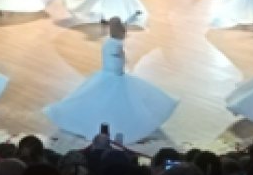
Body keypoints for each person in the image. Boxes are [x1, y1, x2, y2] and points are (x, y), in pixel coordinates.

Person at [44, 17, 178, 142]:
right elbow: (118, 62)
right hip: (115, 76)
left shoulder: (108, 43)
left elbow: (111, 60)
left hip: (106, 74)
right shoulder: (116, 45)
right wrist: (120, 71)